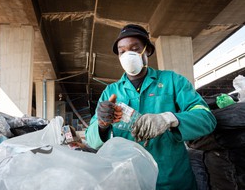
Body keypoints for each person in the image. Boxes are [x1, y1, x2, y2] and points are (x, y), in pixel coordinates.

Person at [85, 24, 217, 190]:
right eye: (122, 51)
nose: (127, 55)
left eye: (134, 48)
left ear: (147, 50)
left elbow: (206, 119)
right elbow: (91, 140)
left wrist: (170, 119)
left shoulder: (172, 81)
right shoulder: (111, 92)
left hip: (172, 179)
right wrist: (102, 126)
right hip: (129, 181)